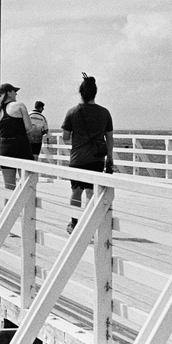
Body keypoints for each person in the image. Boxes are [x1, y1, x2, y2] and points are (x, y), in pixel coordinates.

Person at [61, 74, 114, 233]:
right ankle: (89, 223)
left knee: (76, 191)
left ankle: (74, 223)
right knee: (92, 191)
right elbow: (110, 139)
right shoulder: (105, 113)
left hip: (78, 158)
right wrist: (109, 158)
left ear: (81, 93)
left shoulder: (73, 112)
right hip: (97, 158)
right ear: (94, 93)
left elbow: (65, 137)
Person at [0, 83, 34, 190]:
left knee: (9, 188)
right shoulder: (19, 105)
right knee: (28, 186)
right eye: (14, 91)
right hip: (22, 146)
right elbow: (29, 127)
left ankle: (7, 206)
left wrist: (1, 155)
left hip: (6, 149)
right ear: (9, 93)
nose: (16, 94)